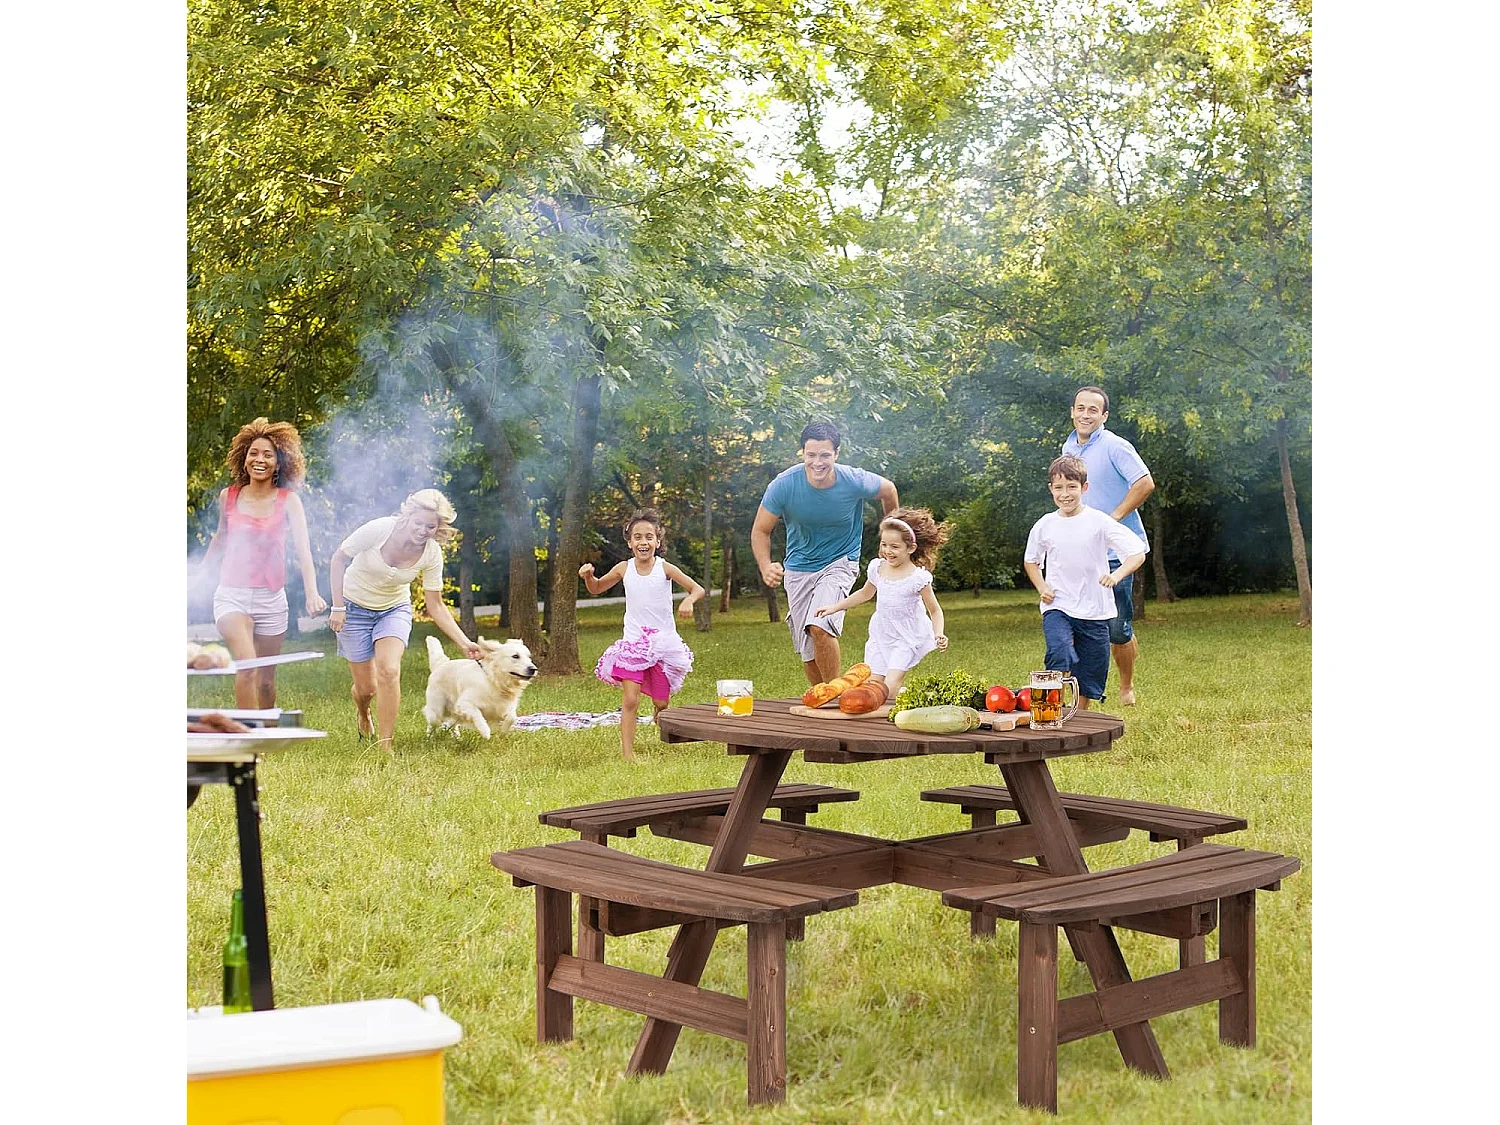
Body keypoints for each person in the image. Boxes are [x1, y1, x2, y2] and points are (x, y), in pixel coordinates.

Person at [328, 489, 482, 753]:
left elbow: (435, 604)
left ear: (438, 528)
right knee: (366, 689)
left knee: (389, 670)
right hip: (353, 608)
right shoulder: (380, 529)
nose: (423, 530)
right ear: (407, 517)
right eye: (418, 523)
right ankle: (363, 712)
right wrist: (338, 606)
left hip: (393, 609)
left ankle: (385, 745)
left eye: (430, 526)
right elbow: (338, 558)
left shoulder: (431, 553)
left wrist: (464, 641)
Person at [751, 421, 900, 686]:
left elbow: (888, 490)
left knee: (820, 626)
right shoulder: (784, 485)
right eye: (811, 455)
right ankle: (822, 698)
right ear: (803, 454)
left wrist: (890, 534)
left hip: (840, 562)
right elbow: (761, 530)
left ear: (837, 454)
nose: (817, 462)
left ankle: (840, 696)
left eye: (824, 455)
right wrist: (765, 566)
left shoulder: (853, 479)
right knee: (808, 649)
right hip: (798, 567)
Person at [198, 418, 328, 709]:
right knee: (247, 666)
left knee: (266, 680)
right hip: (232, 595)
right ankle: (247, 742)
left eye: (268, 455)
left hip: (271, 598)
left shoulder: (288, 500)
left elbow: (303, 550)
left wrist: (312, 593)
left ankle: (265, 735)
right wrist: (196, 578)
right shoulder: (228, 496)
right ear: (244, 459)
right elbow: (219, 539)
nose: (259, 459)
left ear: (279, 464)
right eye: (254, 453)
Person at [1023, 456, 1147, 711]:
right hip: (1058, 605)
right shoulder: (1045, 525)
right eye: (1059, 488)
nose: (1065, 494)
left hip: (1095, 610)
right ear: (1051, 489)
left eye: (1072, 487)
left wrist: (1117, 575)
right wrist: (1041, 587)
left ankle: (1078, 717)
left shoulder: (1099, 521)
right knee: (1059, 652)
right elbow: (1031, 561)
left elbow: (1137, 553)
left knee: (1091, 669)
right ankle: (1049, 712)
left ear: (1084, 488)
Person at [581, 508, 705, 761]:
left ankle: (663, 727)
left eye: (649, 537)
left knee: (661, 703)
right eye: (637, 537)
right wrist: (589, 576)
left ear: (658, 542)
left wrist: (689, 601)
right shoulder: (623, 569)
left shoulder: (665, 568)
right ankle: (628, 755)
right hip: (633, 645)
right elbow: (596, 589)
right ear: (630, 543)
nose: (643, 542)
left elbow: (697, 588)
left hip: (662, 645)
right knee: (630, 699)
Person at [1062, 385, 1156, 705]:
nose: (1086, 414)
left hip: (1118, 552)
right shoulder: (1069, 447)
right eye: (1081, 408)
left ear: (1104, 416)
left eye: (1093, 410)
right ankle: (1083, 698)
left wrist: (1113, 518)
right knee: (1083, 623)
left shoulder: (1117, 446)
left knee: (1117, 628)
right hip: (1084, 552)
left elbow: (1144, 483)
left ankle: (1126, 686)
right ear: (1072, 412)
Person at [812, 507, 949, 700]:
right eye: (884, 544)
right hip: (881, 635)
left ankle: (909, 696)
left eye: (895, 546)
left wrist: (939, 633)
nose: (887, 551)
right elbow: (865, 593)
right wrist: (835, 607)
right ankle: (908, 697)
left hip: (905, 637)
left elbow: (935, 611)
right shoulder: (878, 568)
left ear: (910, 548)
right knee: (872, 688)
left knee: (888, 690)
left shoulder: (918, 578)